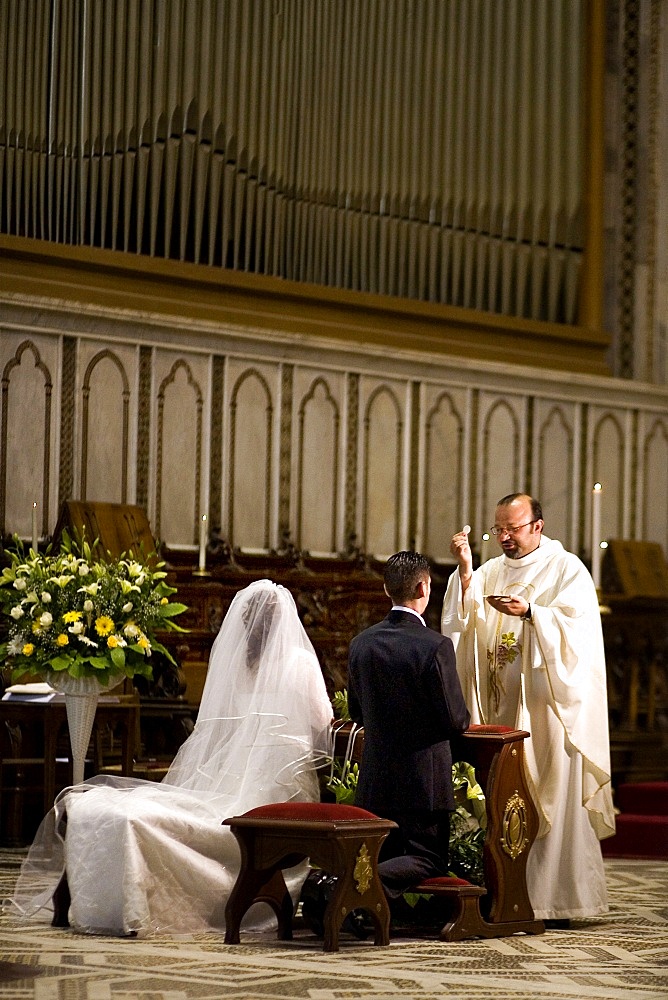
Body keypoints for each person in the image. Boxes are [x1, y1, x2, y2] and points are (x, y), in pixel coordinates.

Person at [11, 579, 333, 936]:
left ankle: (107, 900)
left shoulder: (241, 665)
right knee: (170, 817)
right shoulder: (301, 662)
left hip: (236, 772)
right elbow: (321, 724)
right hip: (278, 783)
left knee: (132, 809)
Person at [441, 493, 615, 925]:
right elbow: (462, 623)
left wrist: (535, 613)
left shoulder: (566, 569)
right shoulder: (491, 571)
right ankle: (507, 893)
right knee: (503, 796)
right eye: (499, 529)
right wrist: (465, 572)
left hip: (547, 713)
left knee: (549, 795)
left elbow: (581, 634)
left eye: (513, 529)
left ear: (537, 526)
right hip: (502, 709)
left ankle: (555, 899)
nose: (504, 538)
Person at [347, 550, 470, 900]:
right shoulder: (435, 646)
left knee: (383, 851)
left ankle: (362, 899)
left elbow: (357, 713)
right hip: (424, 783)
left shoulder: (361, 644)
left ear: (387, 590)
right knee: (429, 859)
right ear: (423, 588)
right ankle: (348, 884)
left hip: (376, 779)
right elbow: (455, 719)